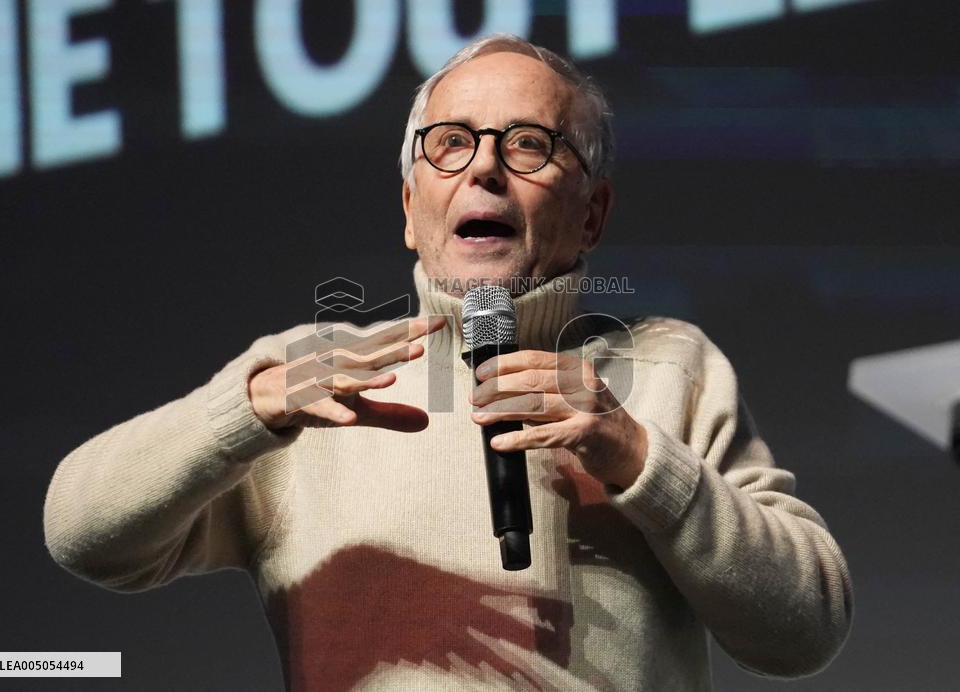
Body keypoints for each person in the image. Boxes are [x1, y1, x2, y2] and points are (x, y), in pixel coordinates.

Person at [44, 34, 853, 691]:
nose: (484, 168)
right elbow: (81, 535)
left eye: (529, 144)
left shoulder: (669, 367)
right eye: (451, 144)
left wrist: (641, 460)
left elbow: (805, 630)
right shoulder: (309, 379)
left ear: (591, 215)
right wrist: (242, 415)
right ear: (411, 208)